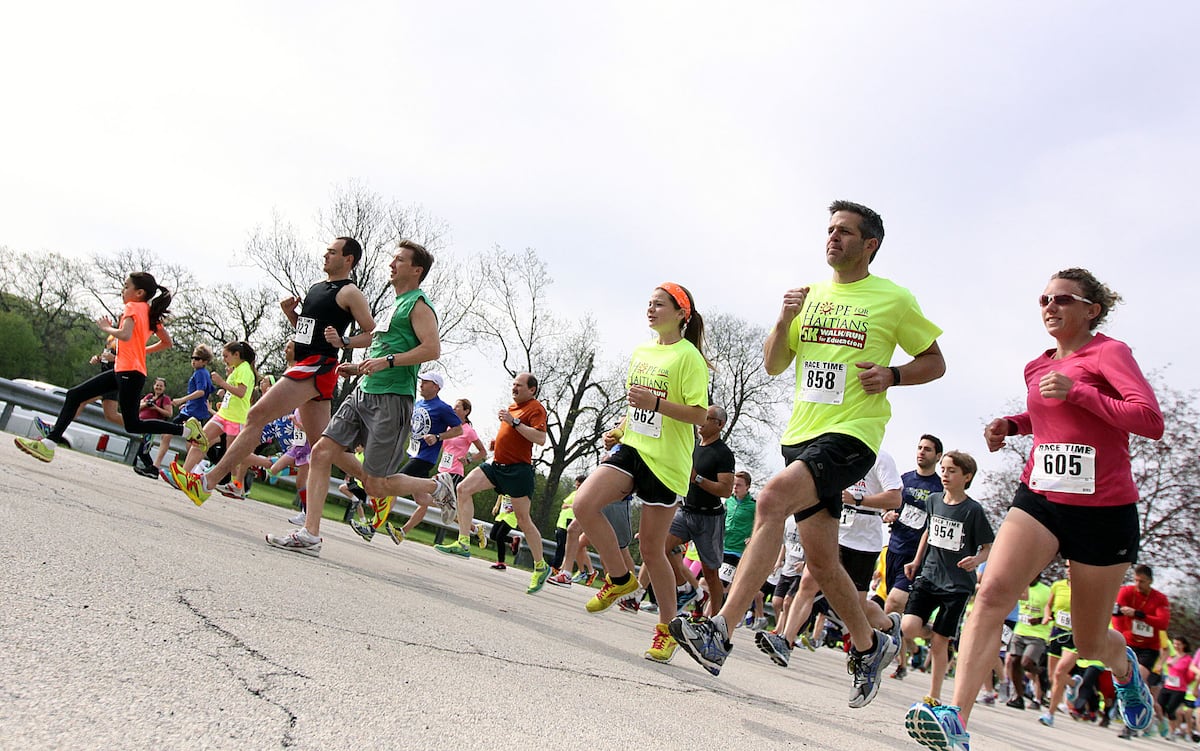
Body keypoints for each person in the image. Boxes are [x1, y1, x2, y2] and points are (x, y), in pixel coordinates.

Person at [672, 200, 944, 713]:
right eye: (829, 230)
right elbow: (774, 364)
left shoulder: (894, 299)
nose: (832, 239)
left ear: (870, 245)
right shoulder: (809, 296)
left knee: (771, 498)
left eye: (845, 232)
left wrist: (894, 375)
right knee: (821, 559)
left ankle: (720, 631)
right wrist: (783, 317)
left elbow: (936, 361)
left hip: (852, 435)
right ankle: (870, 644)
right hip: (801, 434)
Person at [905, 268, 1163, 751]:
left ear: (1092, 310)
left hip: (1104, 511)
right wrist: (1012, 425)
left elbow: (1149, 419)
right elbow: (1048, 415)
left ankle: (1123, 668)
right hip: (1040, 498)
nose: (1050, 306)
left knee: (1086, 643)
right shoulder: (1035, 366)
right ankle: (956, 722)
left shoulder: (1110, 352)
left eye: (1063, 299)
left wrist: (1081, 391)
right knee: (992, 591)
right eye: (1044, 298)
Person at [266, 241, 449, 557]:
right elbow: (382, 346)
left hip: (392, 399)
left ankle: (436, 486)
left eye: (400, 260)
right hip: (364, 390)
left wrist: (386, 362)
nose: (392, 264)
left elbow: (431, 349)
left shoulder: (419, 304)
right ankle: (310, 534)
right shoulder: (395, 303)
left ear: (416, 270)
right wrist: (357, 365)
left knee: (376, 486)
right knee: (322, 450)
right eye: (393, 259)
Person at [166, 237, 375, 505]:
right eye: (326, 251)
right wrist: (292, 315)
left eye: (332, 252)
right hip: (305, 363)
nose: (325, 255)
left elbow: (372, 333)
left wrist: (344, 341)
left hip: (316, 366)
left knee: (256, 415)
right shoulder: (316, 289)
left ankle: (207, 482)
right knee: (324, 447)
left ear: (348, 260)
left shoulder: (350, 293)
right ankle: (377, 486)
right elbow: (305, 332)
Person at [572, 282, 710, 663]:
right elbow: (636, 407)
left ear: (682, 313)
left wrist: (657, 403)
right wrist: (620, 428)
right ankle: (620, 578)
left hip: (666, 462)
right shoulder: (641, 352)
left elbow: (700, 414)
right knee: (584, 504)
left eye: (659, 304)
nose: (651, 310)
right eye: (648, 304)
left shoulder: (689, 358)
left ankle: (668, 628)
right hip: (633, 448)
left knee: (652, 548)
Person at [16, 272, 201, 463]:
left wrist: (106, 328)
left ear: (139, 292)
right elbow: (166, 342)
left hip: (129, 372)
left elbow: (125, 334)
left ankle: (186, 430)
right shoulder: (149, 313)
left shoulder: (132, 307)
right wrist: (140, 351)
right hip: (125, 371)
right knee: (75, 395)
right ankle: (49, 444)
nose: (123, 290)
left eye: (126, 286)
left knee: (132, 424)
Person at [435, 372, 552, 596]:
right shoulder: (513, 407)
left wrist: (513, 422)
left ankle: (541, 566)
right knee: (463, 489)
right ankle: (463, 542)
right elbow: (514, 436)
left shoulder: (535, 408)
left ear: (532, 389)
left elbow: (540, 438)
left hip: (518, 471)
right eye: (513, 384)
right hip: (497, 465)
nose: (514, 388)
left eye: (519, 385)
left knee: (523, 520)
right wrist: (497, 442)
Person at [897, 451, 993, 704]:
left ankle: (935, 694)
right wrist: (917, 561)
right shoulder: (934, 500)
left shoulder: (973, 510)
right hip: (929, 575)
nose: (945, 475)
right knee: (907, 627)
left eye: (952, 471)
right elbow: (928, 531)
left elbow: (988, 547)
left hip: (958, 585)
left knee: (940, 643)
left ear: (967, 476)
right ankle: (935, 634)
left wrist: (976, 560)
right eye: (943, 469)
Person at [352, 371, 462, 542]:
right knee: (422, 499)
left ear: (436, 387)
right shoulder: (418, 403)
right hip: (413, 453)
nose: (421, 384)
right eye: (422, 381)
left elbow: (458, 430)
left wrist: (438, 437)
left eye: (426, 382)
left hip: (424, 458)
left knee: (390, 487)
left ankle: (371, 527)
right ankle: (454, 508)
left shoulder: (443, 408)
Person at [883, 434, 944, 678]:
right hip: (894, 549)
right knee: (898, 615)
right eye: (919, 448)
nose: (922, 452)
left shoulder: (939, 489)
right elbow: (890, 504)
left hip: (916, 557)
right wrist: (887, 514)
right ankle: (905, 660)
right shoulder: (904, 479)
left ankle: (885, 651)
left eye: (928, 449)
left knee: (894, 603)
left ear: (937, 456)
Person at [164, 341, 257, 500]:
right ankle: (183, 476)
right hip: (223, 415)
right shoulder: (236, 370)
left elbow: (241, 393)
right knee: (199, 440)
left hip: (236, 418)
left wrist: (222, 383)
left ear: (236, 355)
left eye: (226, 356)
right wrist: (224, 391)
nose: (224, 360)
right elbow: (234, 392)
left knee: (233, 455)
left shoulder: (245, 370)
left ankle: (255, 473)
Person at [664, 406, 734, 613]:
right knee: (659, 548)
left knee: (710, 573)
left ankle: (714, 619)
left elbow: (726, 490)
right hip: (685, 512)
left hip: (709, 518)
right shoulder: (692, 446)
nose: (700, 422)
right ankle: (685, 588)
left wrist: (697, 478)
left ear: (719, 424)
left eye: (707, 418)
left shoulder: (723, 454)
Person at [154, 345, 216, 469]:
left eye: (197, 358)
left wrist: (182, 399)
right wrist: (187, 403)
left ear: (204, 361)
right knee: (190, 443)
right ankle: (192, 469)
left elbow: (201, 392)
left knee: (169, 434)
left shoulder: (201, 373)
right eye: (192, 357)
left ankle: (156, 466)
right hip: (192, 410)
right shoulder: (203, 373)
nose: (193, 360)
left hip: (193, 413)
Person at [1005, 574, 1051, 709]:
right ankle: (1018, 697)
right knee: (1013, 661)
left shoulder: (1046, 591)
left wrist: (1040, 619)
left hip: (1037, 635)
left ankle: (1041, 672)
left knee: (1026, 663)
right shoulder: (1021, 587)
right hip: (1020, 631)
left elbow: (1054, 611)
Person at [133, 377, 173, 476]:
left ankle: (152, 469)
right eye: (157, 385)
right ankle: (150, 469)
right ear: (154, 386)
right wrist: (147, 404)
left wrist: (156, 407)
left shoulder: (165, 399)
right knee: (142, 451)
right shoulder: (149, 396)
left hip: (153, 427)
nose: (158, 387)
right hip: (143, 426)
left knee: (143, 451)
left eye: (161, 386)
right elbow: (137, 407)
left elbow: (169, 413)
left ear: (164, 388)